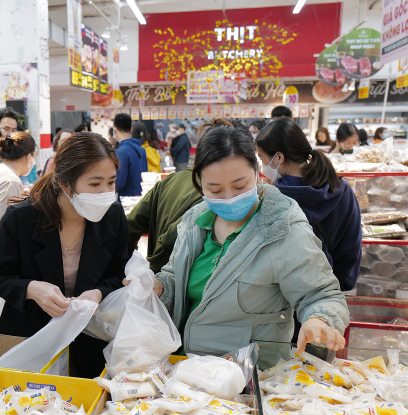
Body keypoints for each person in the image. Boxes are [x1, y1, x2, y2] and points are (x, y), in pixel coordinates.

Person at [150, 119, 349, 368]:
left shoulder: (283, 228)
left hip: (250, 377)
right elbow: (175, 273)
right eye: (215, 190)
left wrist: (319, 321)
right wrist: (160, 285)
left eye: (240, 185)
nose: (229, 198)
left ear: (257, 171)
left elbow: (322, 295)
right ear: (200, 183)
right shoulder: (195, 221)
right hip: (189, 369)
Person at [0, 132, 129, 378]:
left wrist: (98, 293)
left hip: (91, 339)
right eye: (95, 184)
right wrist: (31, 289)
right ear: (65, 184)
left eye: (111, 182)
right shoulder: (21, 219)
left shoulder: (113, 217)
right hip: (31, 337)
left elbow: (119, 273)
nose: (105, 192)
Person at [256, 118, 362, 292]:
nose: (262, 166)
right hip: (330, 292)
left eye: (261, 158)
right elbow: (352, 245)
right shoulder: (341, 188)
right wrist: (336, 284)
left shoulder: (276, 198)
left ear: (279, 157)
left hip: (288, 298)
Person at [126, 168, 202, 274]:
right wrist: (153, 270)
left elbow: (132, 223)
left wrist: (125, 267)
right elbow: (171, 240)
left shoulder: (171, 179)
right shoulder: (212, 197)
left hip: (158, 278)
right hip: (175, 279)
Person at [113, 113, 147, 197]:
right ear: (131, 130)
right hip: (141, 197)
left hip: (127, 201)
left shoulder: (122, 152)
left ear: (114, 130)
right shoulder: (142, 149)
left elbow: (119, 183)